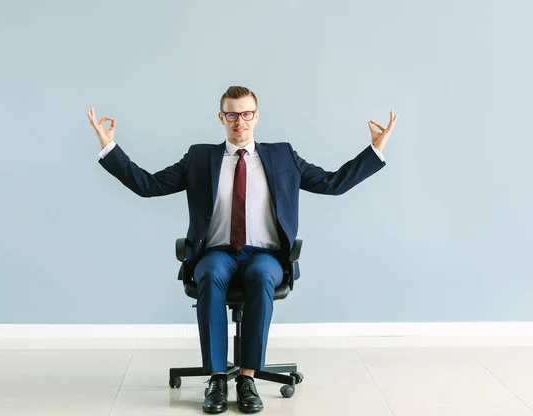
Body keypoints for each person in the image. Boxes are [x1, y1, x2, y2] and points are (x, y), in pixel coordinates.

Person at [87, 86, 397, 414]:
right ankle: (217, 379)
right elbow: (148, 185)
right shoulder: (199, 158)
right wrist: (109, 147)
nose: (240, 122)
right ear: (221, 117)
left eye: (246, 114)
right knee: (208, 273)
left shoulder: (283, 156)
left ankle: (247, 378)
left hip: (265, 254)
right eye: (232, 114)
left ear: (256, 116)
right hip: (218, 251)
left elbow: (333, 183)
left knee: (263, 275)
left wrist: (374, 150)